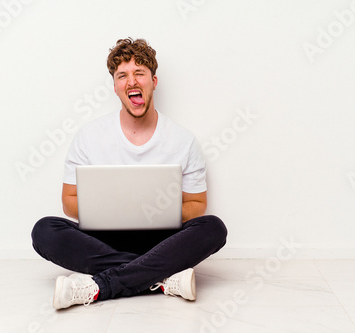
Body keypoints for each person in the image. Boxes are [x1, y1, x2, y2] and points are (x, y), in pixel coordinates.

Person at [31, 37, 227, 310]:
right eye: (123, 75)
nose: (132, 81)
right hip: (103, 239)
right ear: (115, 87)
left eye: (140, 73)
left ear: (153, 81)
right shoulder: (89, 136)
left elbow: (197, 204)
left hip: (162, 241)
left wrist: (155, 211)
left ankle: (99, 286)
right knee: (44, 230)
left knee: (213, 228)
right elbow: (68, 202)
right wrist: (115, 210)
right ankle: (161, 278)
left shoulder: (183, 140)